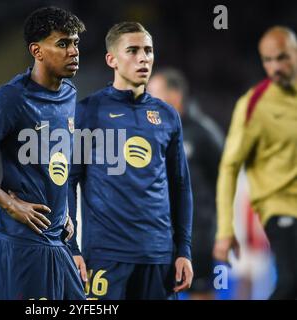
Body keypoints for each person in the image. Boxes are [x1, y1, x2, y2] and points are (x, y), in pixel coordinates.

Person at [0, 6, 86, 300]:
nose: (73, 51)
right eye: (62, 43)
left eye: (75, 43)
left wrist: (64, 210)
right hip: (22, 240)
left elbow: (55, 160)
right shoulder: (13, 97)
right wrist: (10, 203)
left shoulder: (70, 93)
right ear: (37, 50)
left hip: (56, 238)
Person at [68, 22, 193, 300]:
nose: (143, 58)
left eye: (148, 50)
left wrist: (183, 250)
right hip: (105, 257)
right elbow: (68, 182)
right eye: (133, 50)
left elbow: (180, 186)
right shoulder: (88, 112)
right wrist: (71, 248)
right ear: (111, 59)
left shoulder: (167, 116)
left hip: (159, 256)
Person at [213, 26, 297, 300]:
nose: (275, 67)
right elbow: (229, 166)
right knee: (290, 282)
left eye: (282, 58)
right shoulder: (253, 105)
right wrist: (226, 229)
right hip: (281, 206)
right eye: (267, 60)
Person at [148, 68, 223, 299]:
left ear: (175, 95)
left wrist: (221, 231)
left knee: (200, 292)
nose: (149, 99)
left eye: (154, 93)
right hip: (160, 233)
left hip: (198, 234)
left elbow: (223, 181)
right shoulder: (153, 132)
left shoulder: (204, 133)